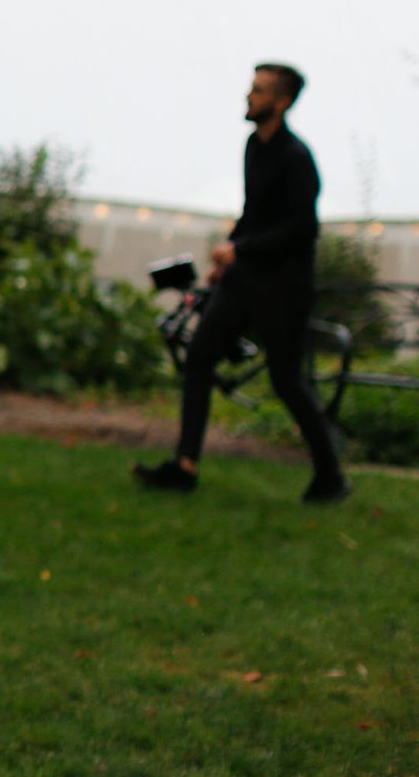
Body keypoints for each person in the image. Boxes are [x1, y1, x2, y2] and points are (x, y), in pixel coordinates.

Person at [134, 62, 351, 504]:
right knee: (199, 358)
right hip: (244, 279)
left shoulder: (296, 157)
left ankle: (331, 477)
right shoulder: (254, 145)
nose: (248, 97)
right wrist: (229, 256)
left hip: (284, 287)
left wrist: (241, 251)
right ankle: (185, 466)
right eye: (251, 89)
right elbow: (254, 212)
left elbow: (302, 230)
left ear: (282, 101)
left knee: (287, 381)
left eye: (258, 91)